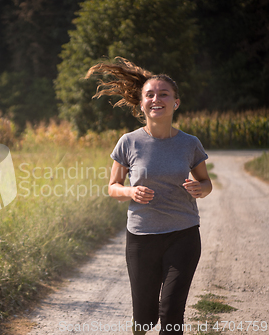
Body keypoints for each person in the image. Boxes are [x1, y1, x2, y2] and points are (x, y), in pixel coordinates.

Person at [85, 57, 212, 335]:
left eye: (164, 94)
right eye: (150, 94)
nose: (157, 99)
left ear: (175, 102)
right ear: (141, 104)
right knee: (144, 318)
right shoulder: (128, 142)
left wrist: (199, 189)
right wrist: (130, 191)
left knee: (172, 314)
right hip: (142, 238)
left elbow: (206, 182)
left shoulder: (190, 143)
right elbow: (113, 186)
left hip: (184, 234)